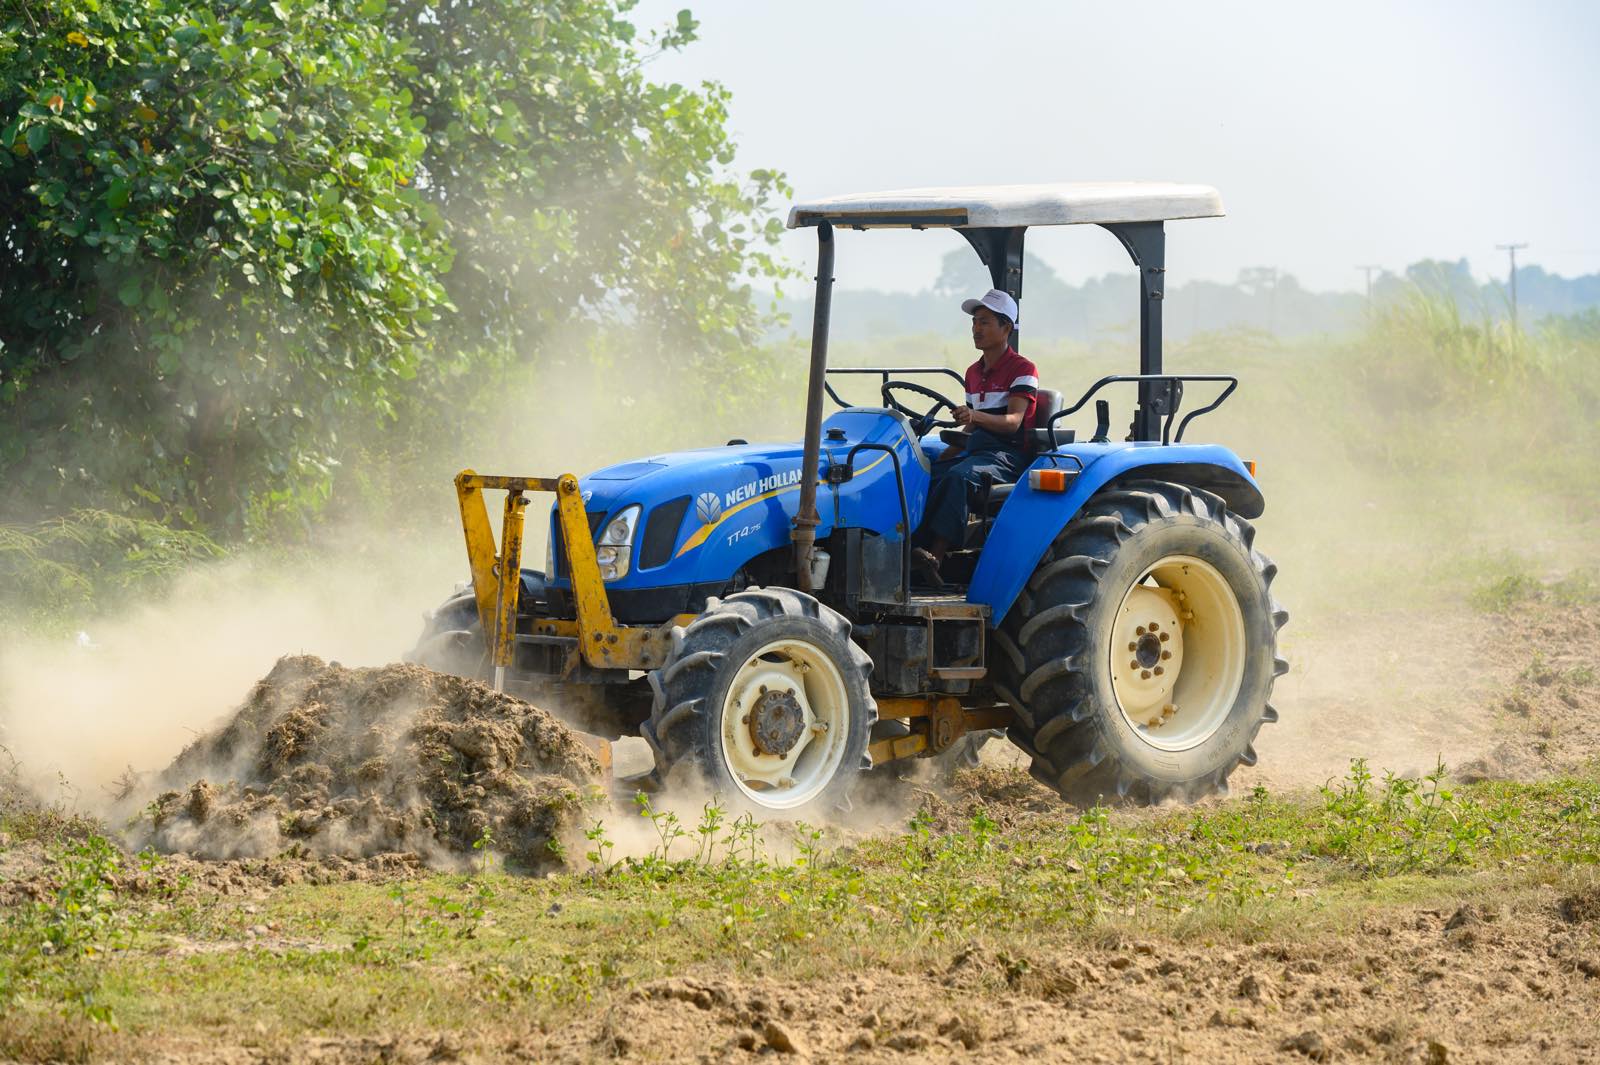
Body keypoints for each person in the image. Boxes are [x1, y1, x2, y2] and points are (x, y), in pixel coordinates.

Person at [912, 289, 1039, 585]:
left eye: (984, 322)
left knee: (958, 478)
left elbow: (1012, 423)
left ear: (1006, 328)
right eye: (974, 323)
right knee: (923, 476)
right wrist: (943, 456)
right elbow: (970, 428)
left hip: (1007, 455)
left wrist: (975, 418)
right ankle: (909, 553)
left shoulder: (1023, 369)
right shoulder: (972, 372)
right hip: (977, 449)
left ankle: (936, 559)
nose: (976, 329)